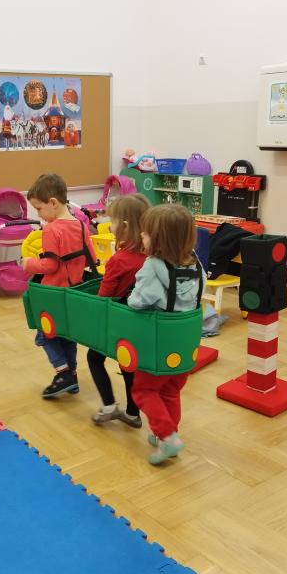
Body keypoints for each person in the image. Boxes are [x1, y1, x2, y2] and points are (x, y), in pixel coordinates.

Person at [127, 204, 204, 465]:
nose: (141, 236)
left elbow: (141, 300)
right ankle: (168, 434)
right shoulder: (195, 263)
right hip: (185, 343)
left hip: (158, 342)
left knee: (144, 391)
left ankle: (167, 436)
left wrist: (131, 299)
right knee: (171, 390)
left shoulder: (152, 266)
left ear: (159, 240)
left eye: (146, 233)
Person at [23, 173, 97, 398]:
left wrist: (29, 263)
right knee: (67, 335)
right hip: (74, 292)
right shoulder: (81, 225)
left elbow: (50, 265)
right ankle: (71, 376)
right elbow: (91, 259)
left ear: (53, 203)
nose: (38, 214)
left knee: (45, 335)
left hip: (52, 294)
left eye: (38, 208)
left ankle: (63, 373)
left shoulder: (51, 229)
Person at [88, 194, 150, 428]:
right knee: (128, 364)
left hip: (114, 321)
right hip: (139, 323)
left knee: (94, 357)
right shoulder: (152, 258)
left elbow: (103, 298)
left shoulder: (119, 260)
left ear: (123, 226)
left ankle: (109, 406)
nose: (108, 224)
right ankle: (133, 414)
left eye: (111, 220)